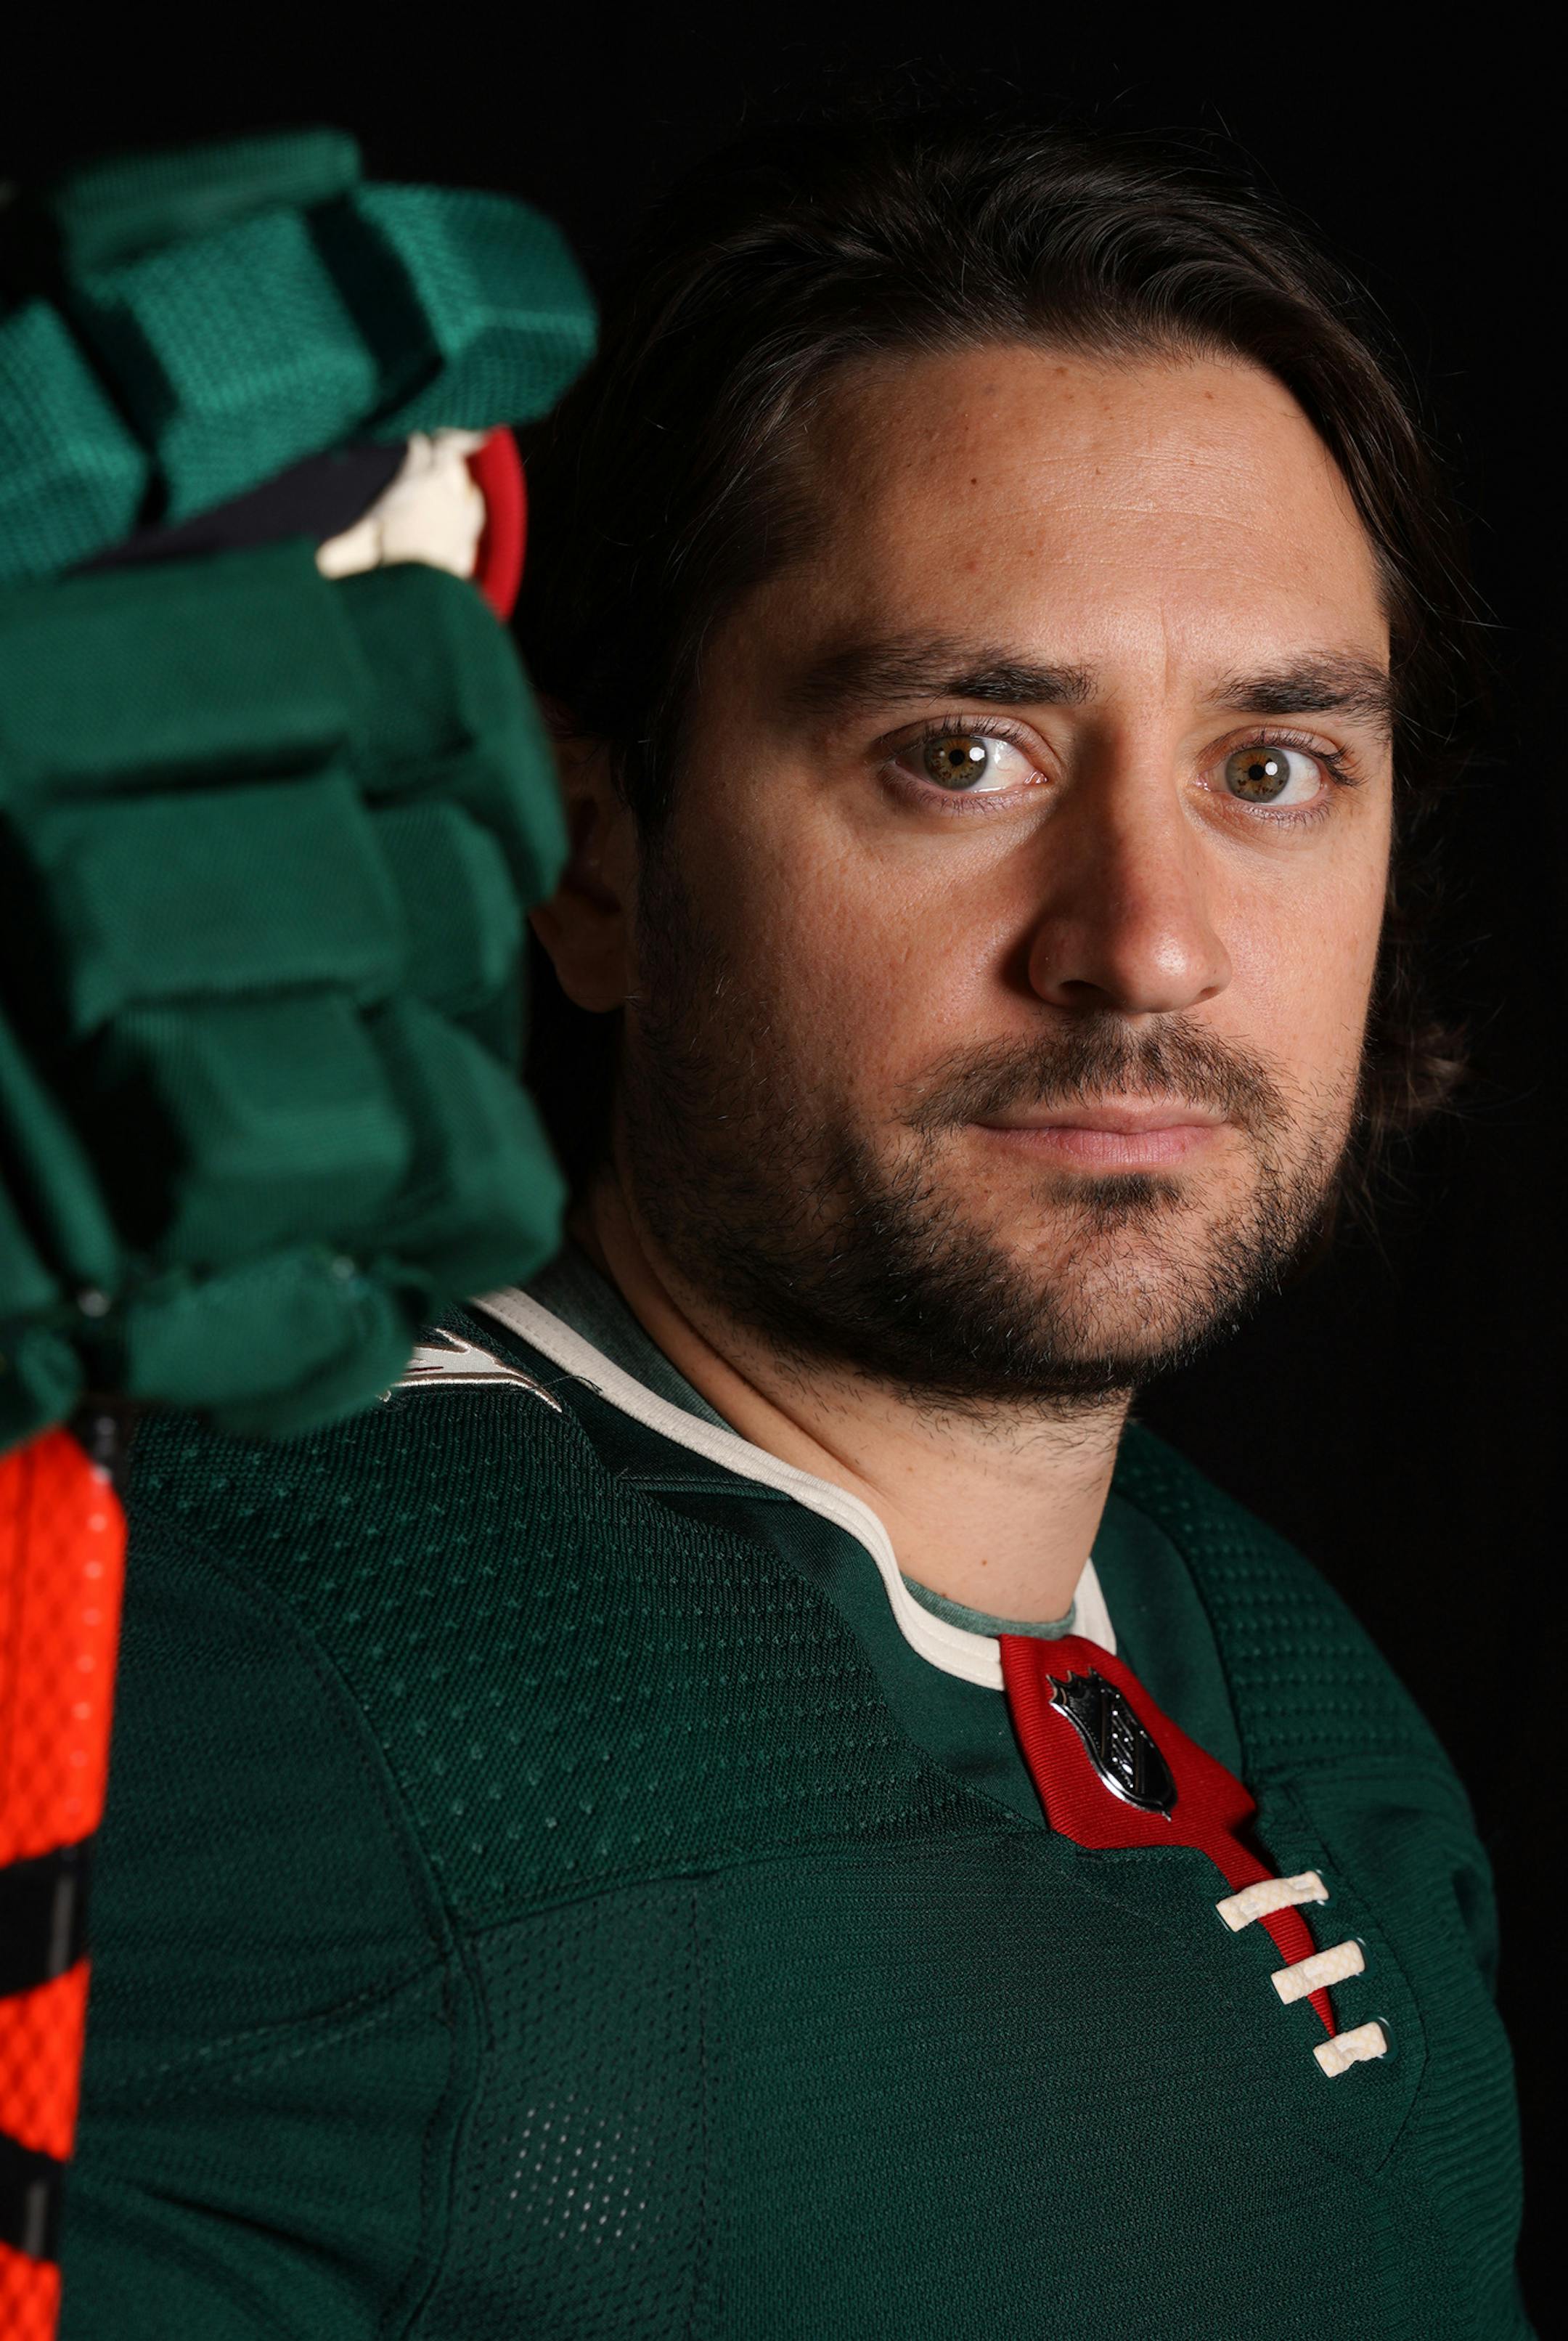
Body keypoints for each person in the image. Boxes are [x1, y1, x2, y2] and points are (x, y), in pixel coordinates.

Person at [61, 113, 1530, 2337]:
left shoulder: (1295, 1670)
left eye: (1270, 769)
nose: (1146, 945)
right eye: (963, 754)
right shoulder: (258, 1688)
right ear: (593, 859)